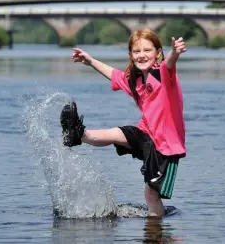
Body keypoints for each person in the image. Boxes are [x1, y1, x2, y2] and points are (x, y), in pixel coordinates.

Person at [60, 28, 186, 217]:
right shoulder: (135, 80)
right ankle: (77, 135)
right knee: (115, 133)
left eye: (147, 50)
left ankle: (156, 233)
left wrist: (175, 52)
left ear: (158, 53)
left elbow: (169, 64)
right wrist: (91, 61)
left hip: (166, 145)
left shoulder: (162, 74)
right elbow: (114, 74)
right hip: (146, 133)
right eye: (137, 51)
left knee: (151, 194)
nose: (142, 55)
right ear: (131, 55)